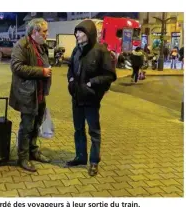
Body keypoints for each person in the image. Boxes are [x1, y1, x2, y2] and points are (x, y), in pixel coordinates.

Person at [66, 20, 117, 176]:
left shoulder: (101, 51)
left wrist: (91, 83)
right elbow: (70, 70)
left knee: (94, 132)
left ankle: (94, 160)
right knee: (78, 129)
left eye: (80, 32)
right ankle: (81, 157)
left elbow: (110, 75)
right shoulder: (76, 50)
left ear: (89, 34)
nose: (77, 35)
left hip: (91, 98)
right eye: (76, 32)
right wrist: (71, 80)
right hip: (76, 97)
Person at [9, 18, 52, 172]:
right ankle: (23, 157)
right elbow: (16, 67)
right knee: (26, 127)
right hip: (27, 93)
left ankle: (33, 151)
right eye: (44, 31)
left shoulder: (42, 46)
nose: (47, 34)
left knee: (36, 124)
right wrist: (42, 72)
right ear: (35, 32)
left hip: (39, 93)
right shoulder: (22, 45)